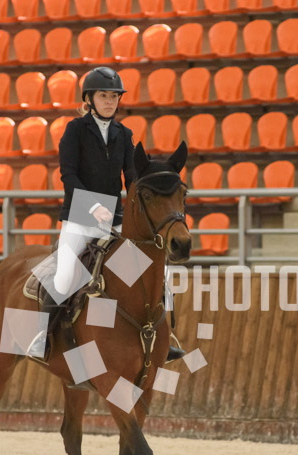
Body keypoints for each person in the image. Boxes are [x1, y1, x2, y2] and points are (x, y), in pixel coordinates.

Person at [30, 66, 185, 363]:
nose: (110, 101)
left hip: (115, 220)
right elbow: (69, 175)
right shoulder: (75, 130)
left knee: (157, 274)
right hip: (80, 217)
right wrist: (92, 206)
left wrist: (146, 196)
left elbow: (131, 176)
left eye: (114, 97)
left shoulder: (123, 134)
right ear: (89, 99)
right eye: (104, 96)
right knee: (64, 275)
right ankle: (41, 337)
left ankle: (166, 339)